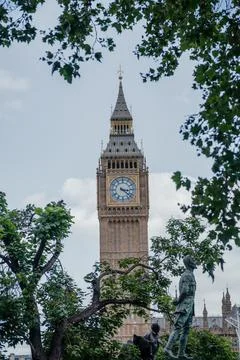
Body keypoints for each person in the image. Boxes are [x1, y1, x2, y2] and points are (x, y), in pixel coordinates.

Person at [164, 255, 197, 359]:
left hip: (190, 305)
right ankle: (167, 349)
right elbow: (184, 291)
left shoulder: (191, 275)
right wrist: (177, 301)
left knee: (186, 330)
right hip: (184, 306)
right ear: (189, 263)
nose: (195, 261)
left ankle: (181, 353)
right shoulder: (187, 275)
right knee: (178, 327)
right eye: (193, 260)